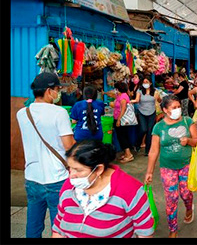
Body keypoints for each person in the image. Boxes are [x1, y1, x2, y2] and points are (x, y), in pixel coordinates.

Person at [51, 140, 154, 238]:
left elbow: (144, 232)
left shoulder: (130, 190)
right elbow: (59, 227)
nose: (71, 175)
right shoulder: (69, 187)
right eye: (70, 168)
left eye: (78, 170)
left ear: (99, 169)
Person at [16, 72, 76, 238]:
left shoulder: (21, 114)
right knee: (60, 226)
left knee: (33, 225)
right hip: (57, 178)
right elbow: (69, 147)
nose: (58, 93)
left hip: (32, 178)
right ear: (49, 91)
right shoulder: (59, 113)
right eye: (57, 89)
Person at [145, 95, 197, 238]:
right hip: (167, 168)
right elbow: (154, 150)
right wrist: (149, 172)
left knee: (186, 194)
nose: (177, 110)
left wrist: (188, 140)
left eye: (178, 107)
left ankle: (189, 208)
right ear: (165, 110)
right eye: (173, 108)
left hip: (186, 165)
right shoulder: (158, 127)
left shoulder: (188, 121)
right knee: (171, 199)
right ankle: (173, 229)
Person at [130, 76, 162, 156]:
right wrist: (130, 101)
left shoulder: (155, 91)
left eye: (147, 82)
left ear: (150, 83)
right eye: (144, 82)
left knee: (149, 131)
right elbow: (137, 100)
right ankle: (137, 143)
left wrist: (158, 98)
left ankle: (148, 150)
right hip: (141, 112)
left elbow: (160, 100)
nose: (145, 84)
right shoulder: (140, 90)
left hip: (152, 112)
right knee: (143, 129)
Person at [110, 82, 134, 163]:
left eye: (115, 88)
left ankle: (129, 155)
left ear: (118, 89)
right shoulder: (119, 95)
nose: (115, 90)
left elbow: (123, 109)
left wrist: (119, 120)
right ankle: (126, 153)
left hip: (121, 119)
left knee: (122, 136)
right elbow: (112, 95)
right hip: (117, 118)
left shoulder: (123, 96)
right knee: (121, 136)